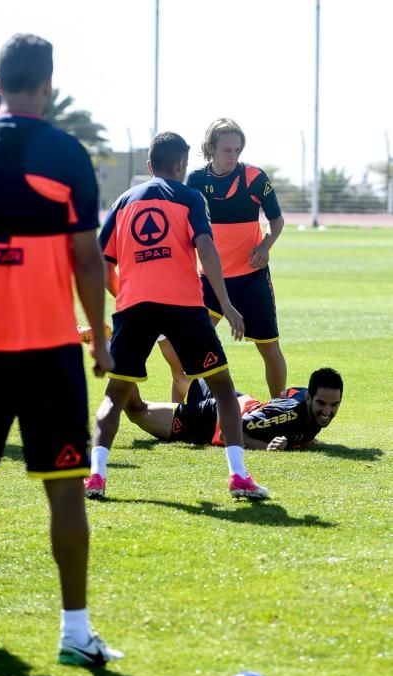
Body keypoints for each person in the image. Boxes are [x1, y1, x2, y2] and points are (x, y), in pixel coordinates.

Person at [0, 34, 121, 666]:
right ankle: (75, 635)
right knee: (64, 490)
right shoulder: (65, 152)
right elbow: (88, 261)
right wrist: (103, 341)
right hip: (47, 349)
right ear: (49, 83)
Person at [84, 132, 269, 502]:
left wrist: (124, 294)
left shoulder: (121, 203)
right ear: (183, 164)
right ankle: (238, 476)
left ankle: (96, 477)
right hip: (184, 307)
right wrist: (227, 304)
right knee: (222, 388)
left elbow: (100, 261)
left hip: (134, 307)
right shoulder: (190, 197)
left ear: (150, 166)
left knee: (114, 395)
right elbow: (205, 246)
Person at [159, 117, 286, 401]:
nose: (233, 156)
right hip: (210, 281)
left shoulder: (254, 178)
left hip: (252, 279)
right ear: (211, 148)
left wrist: (265, 246)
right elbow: (181, 225)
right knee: (189, 349)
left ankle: (280, 408)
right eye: (227, 150)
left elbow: (276, 221)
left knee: (269, 347)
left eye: (238, 149)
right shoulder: (195, 180)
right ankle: (178, 414)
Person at [124, 368, 343, 451]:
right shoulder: (288, 415)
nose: (327, 411)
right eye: (321, 403)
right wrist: (266, 446)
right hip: (211, 419)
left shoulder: (304, 398)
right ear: (309, 398)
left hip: (235, 399)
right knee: (136, 411)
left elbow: (288, 392)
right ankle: (116, 359)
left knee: (183, 376)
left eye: (334, 405)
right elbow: (227, 433)